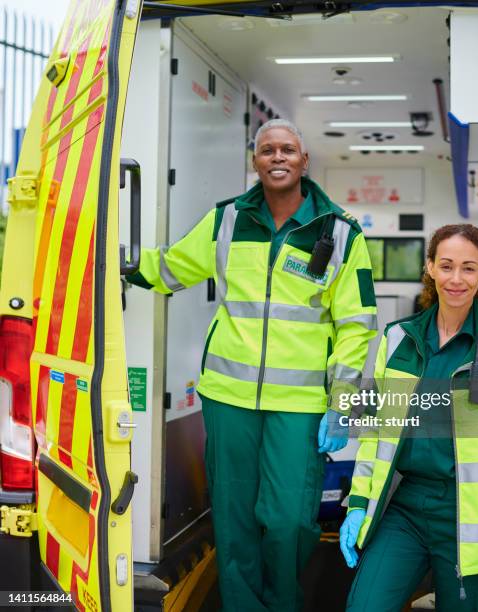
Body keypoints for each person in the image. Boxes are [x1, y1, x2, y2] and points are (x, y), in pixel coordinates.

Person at [127, 119, 377, 611]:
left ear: (305, 162)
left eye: (288, 150)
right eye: (267, 150)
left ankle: (282, 602)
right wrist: (114, 259)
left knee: (289, 519)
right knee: (235, 516)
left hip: (301, 404)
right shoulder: (227, 221)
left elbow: (357, 324)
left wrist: (341, 403)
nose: (277, 157)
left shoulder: (341, 233)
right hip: (228, 397)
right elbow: (170, 268)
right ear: (255, 161)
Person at [339, 224, 478, 611]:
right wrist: (356, 503)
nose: (456, 278)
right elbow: (375, 434)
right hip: (405, 508)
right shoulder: (398, 339)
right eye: (446, 265)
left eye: (469, 268)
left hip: (469, 515)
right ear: (430, 267)